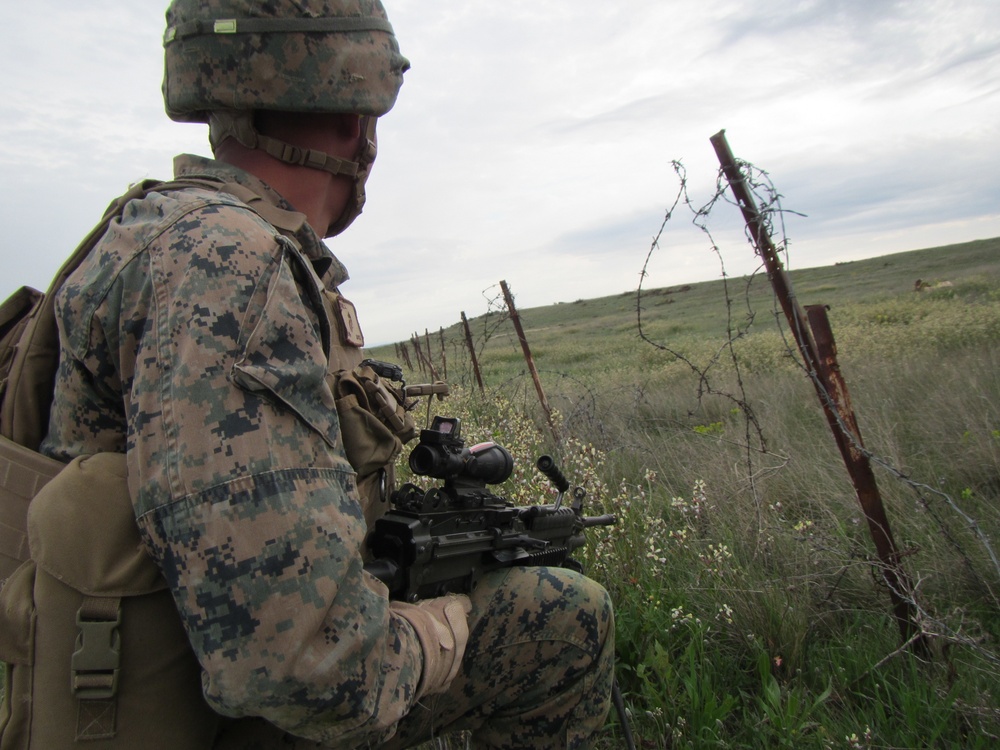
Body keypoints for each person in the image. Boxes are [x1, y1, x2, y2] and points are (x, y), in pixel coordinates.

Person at [38, 1, 614, 747]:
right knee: (564, 618)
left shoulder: (154, 230)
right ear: (356, 118)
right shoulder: (231, 266)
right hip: (218, 715)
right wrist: (444, 626)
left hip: (151, 672)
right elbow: (304, 667)